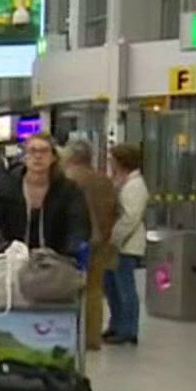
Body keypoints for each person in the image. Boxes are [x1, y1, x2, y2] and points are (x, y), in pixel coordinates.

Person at [0, 133, 90, 257]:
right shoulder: (5, 187)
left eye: (44, 151)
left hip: (56, 259)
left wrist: (69, 252)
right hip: (12, 258)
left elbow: (79, 227)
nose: (38, 156)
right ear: (24, 157)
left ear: (53, 157)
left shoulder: (69, 190)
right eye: (32, 151)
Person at [63, 138, 117, 351]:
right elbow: (115, 210)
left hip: (76, 241)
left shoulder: (68, 179)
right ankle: (92, 337)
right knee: (95, 291)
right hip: (101, 241)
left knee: (69, 289)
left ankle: (71, 333)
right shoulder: (104, 180)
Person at [106, 144, 150, 345]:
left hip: (126, 245)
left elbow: (130, 217)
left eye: (112, 159)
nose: (110, 163)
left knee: (125, 288)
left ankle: (128, 329)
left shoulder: (135, 186)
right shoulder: (123, 182)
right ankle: (116, 325)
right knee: (113, 288)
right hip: (119, 244)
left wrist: (114, 238)